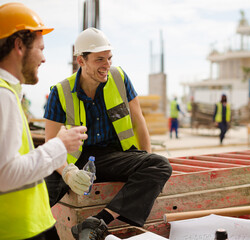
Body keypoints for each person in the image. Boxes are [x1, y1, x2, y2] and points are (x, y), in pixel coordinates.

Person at [44, 27, 173, 240]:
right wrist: (67, 172)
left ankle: (99, 221)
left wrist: (144, 157)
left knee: (159, 164)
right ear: (81, 61)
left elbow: (139, 121)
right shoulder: (60, 92)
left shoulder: (119, 78)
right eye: (99, 59)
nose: (107, 65)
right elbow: (50, 143)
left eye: (109, 58)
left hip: (112, 157)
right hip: (74, 160)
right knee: (37, 190)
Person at [0, 3, 88, 240]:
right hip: (18, 230)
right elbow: (5, 174)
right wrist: (60, 145)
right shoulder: (3, 96)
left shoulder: (7, 92)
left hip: (29, 224)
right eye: (40, 48)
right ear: (19, 45)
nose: (44, 58)